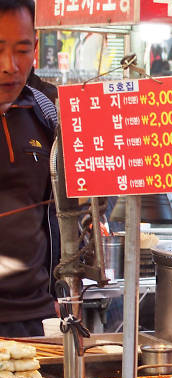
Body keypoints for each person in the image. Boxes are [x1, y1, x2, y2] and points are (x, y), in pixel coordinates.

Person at [0, 0, 59, 337]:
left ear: (35, 47)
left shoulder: (45, 114)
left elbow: (63, 212)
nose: (10, 66)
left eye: (22, 50)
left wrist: (57, 292)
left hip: (33, 321)